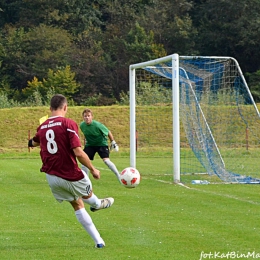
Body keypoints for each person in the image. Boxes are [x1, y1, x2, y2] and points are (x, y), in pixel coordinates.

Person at [28, 94, 114, 249]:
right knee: (90, 198)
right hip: (71, 174)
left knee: (77, 203)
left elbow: (33, 142)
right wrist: (93, 169)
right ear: (66, 107)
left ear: (50, 108)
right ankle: (99, 204)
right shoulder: (68, 123)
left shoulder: (42, 127)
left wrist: (30, 142)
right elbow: (78, 152)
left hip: (52, 177)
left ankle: (99, 241)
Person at [79, 108, 120, 181]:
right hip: (90, 145)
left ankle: (119, 176)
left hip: (101, 144)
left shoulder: (98, 125)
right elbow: (86, 134)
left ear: (92, 117)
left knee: (106, 161)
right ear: (83, 117)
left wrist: (113, 142)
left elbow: (108, 132)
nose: (87, 117)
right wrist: (85, 144)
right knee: (83, 161)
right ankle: (86, 180)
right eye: (85, 116)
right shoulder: (82, 125)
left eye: (88, 116)